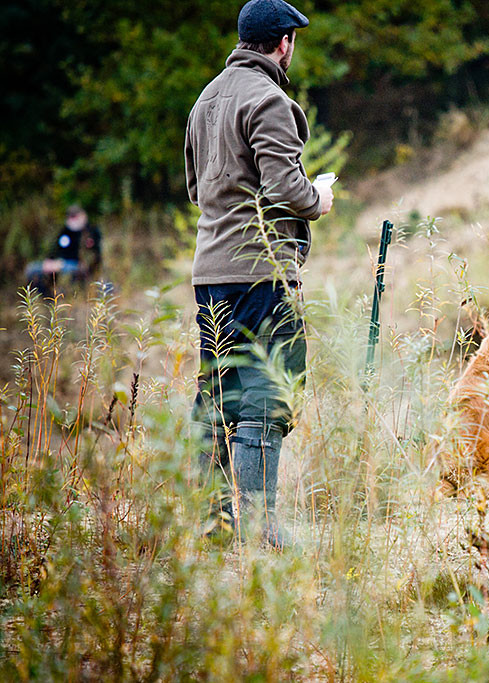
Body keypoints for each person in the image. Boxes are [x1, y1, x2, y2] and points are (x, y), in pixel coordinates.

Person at [184, 0, 333, 548]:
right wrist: (320, 196)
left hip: (210, 271)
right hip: (261, 269)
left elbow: (198, 191)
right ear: (283, 43)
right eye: (293, 39)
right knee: (268, 393)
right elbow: (285, 191)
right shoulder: (270, 100)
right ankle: (262, 529)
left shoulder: (205, 99)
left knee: (218, 395)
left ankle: (214, 525)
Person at [25, 205, 102, 296]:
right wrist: (50, 261)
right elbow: (55, 249)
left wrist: (62, 264)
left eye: (75, 216)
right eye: (71, 216)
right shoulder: (65, 231)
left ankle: (68, 296)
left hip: (76, 266)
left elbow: (93, 257)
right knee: (32, 269)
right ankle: (48, 299)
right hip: (60, 264)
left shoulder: (91, 232)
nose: (73, 220)